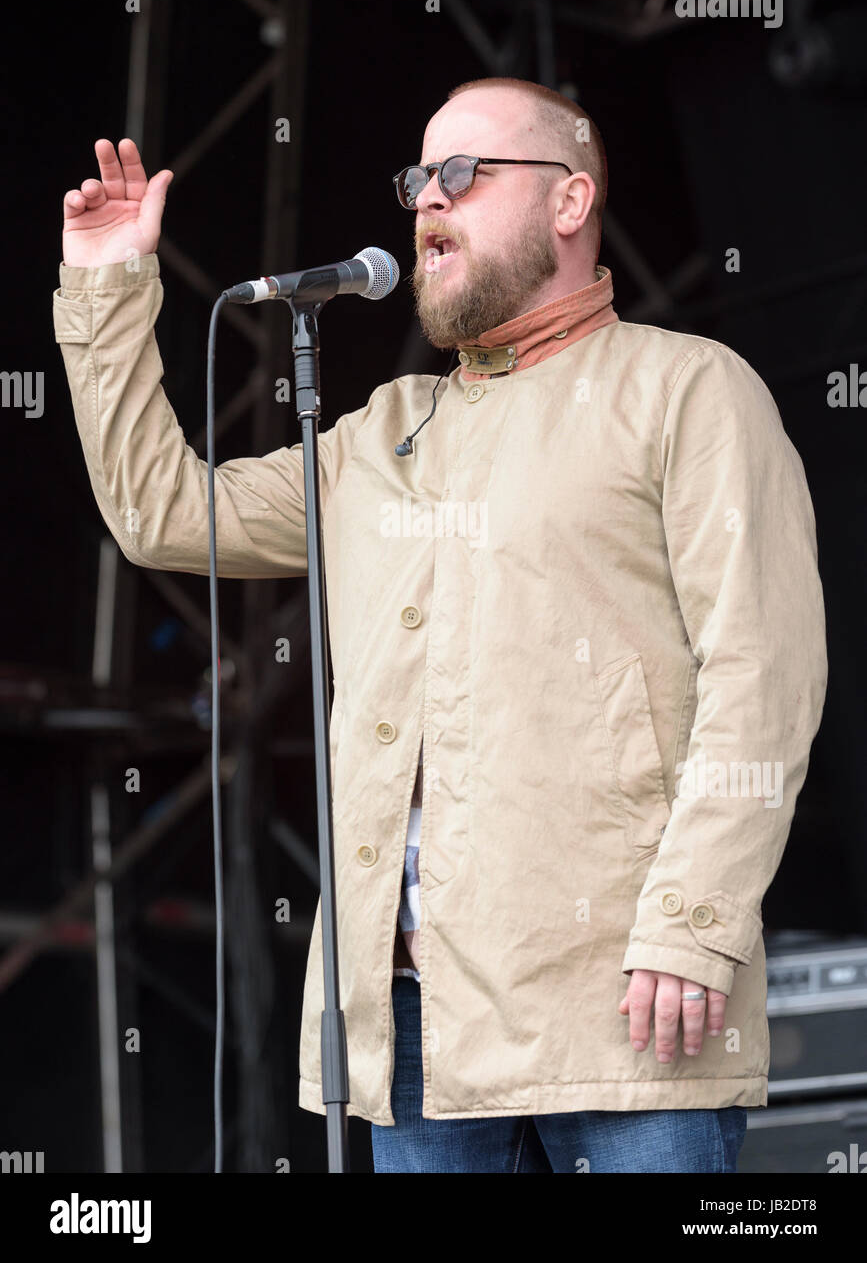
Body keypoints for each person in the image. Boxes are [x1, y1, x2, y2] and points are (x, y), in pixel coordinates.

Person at [55, 77, 827, 1173]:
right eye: (419, 177)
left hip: (626, 1007)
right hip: (412, 1025)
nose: (426, 201)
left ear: (570, 202)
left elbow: (765, 673)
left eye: (463, 173)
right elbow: (163, 512)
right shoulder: (381, 435)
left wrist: (695, 925)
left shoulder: (688, 391)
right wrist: (107, 287)